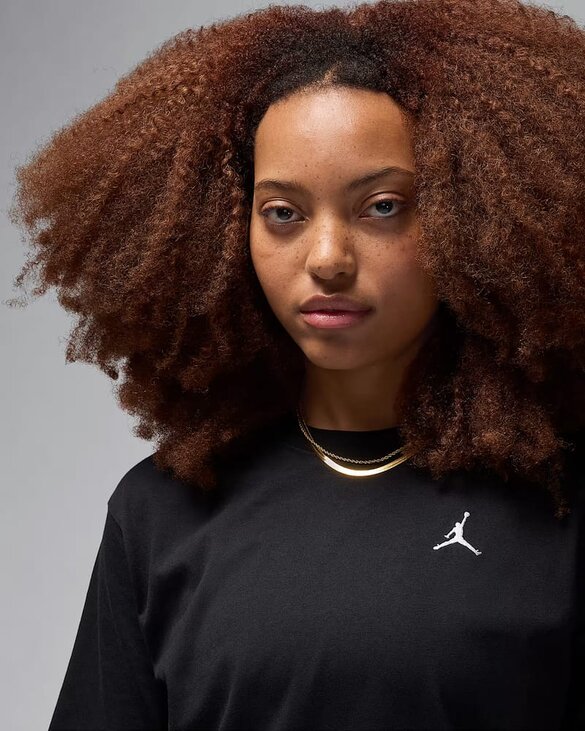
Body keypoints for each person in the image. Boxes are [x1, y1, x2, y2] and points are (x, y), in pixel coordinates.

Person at [8, 0, 585, 728]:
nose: (327, 259)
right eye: (283, 213)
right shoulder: (160, 513)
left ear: (474, 216)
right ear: (224, 231)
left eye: (381, 206)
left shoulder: (563, 506)